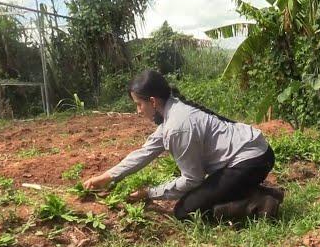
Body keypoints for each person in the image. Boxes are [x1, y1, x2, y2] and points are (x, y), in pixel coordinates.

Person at [82, 69, 284, 221]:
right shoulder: (172, 113)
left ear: (152, 101)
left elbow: (192, 180)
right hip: (255, 153)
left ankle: (261, 204)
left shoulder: (177, 126)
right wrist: (108, 176)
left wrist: (150, 193)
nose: (137, 110)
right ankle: (259, 192)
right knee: (204, 194)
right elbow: (145, 152)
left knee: (186, 210)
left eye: (138, 104)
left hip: (251, 161)